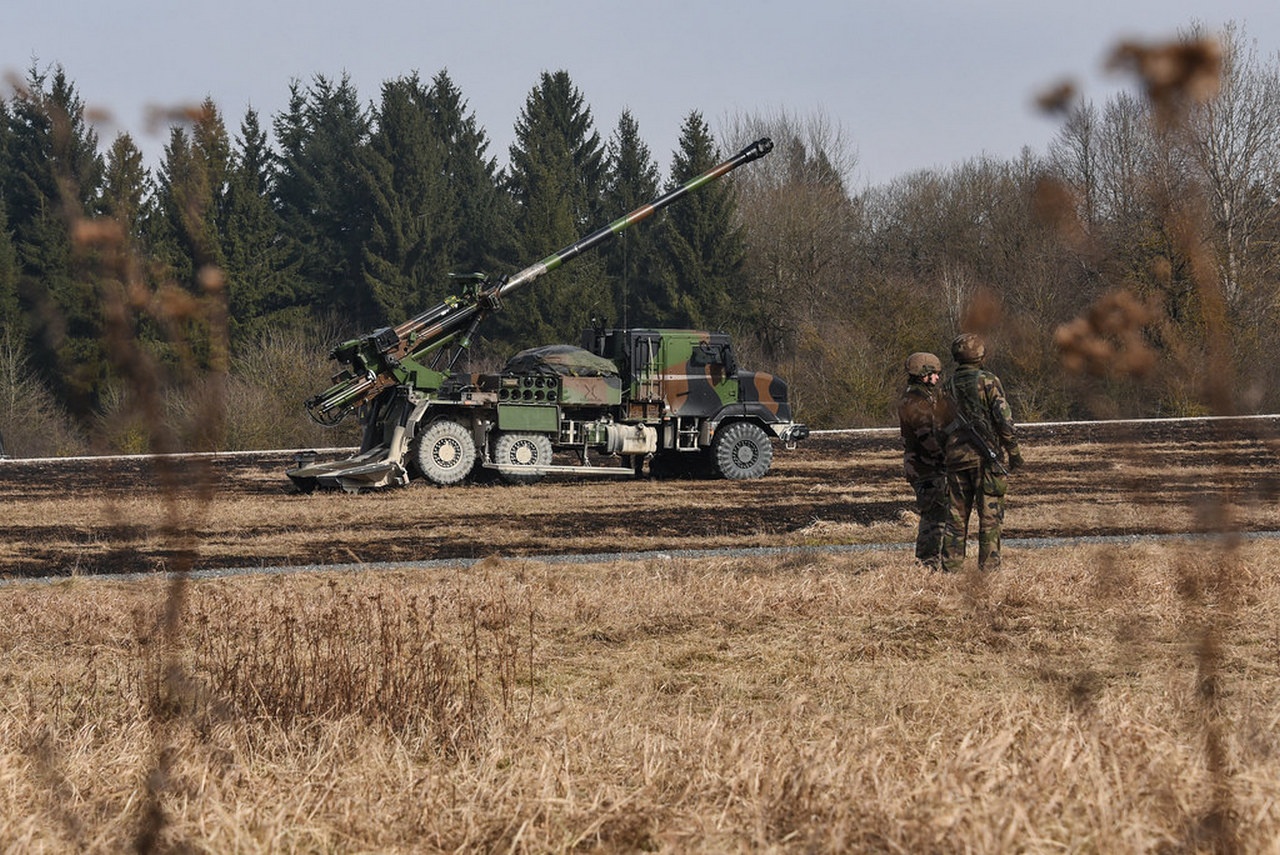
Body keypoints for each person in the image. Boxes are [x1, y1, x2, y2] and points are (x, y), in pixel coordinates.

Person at [940, 333, 1024, 572]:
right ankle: (988, 570)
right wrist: (1014, 454)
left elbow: (939, 427)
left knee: (956, 518)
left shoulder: (947, 386)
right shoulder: (988, 381)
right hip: (986, 460)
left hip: (956, 459)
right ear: (980, 355)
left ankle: (951, 568)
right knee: (989, 518)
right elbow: (1004, 420)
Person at [896, 351, 947, 569]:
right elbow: (928, 438)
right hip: (926, 467)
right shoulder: (916, 402)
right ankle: (928, 563)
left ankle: (933, 561)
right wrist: (948, 456)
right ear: (923, 375)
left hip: (927, 466)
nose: (937, 378)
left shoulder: (922, 398)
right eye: (934, 374)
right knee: (934, 518)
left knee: (937, 515)